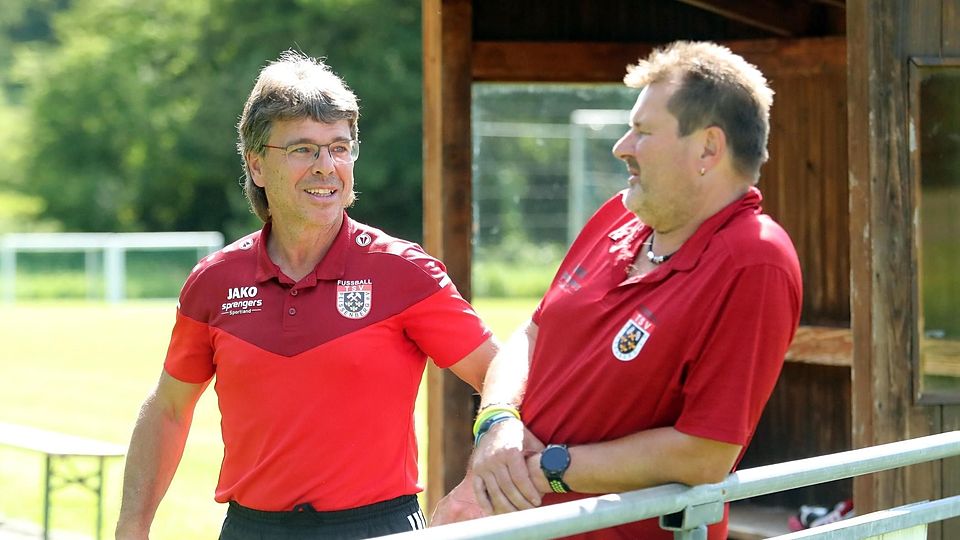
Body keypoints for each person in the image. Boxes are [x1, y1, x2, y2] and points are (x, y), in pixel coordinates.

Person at [115, 50, 497, 540]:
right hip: (251, 530)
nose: (326, 166)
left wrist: (475, 486)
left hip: (378, 528)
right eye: (303, 149)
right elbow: (168, 409)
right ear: (256, 165)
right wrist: (131, 528)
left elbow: (502, 376)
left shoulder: (402, 271)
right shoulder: (214, 281)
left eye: (339, 147)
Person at [432, 41, 802, 539]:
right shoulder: (619, 215)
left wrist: (543, 470)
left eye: (643, 131)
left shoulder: (755, 260)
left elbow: (705, 453)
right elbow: (533, 333)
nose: (621, 146)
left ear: (708, 149)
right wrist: (497, 424)